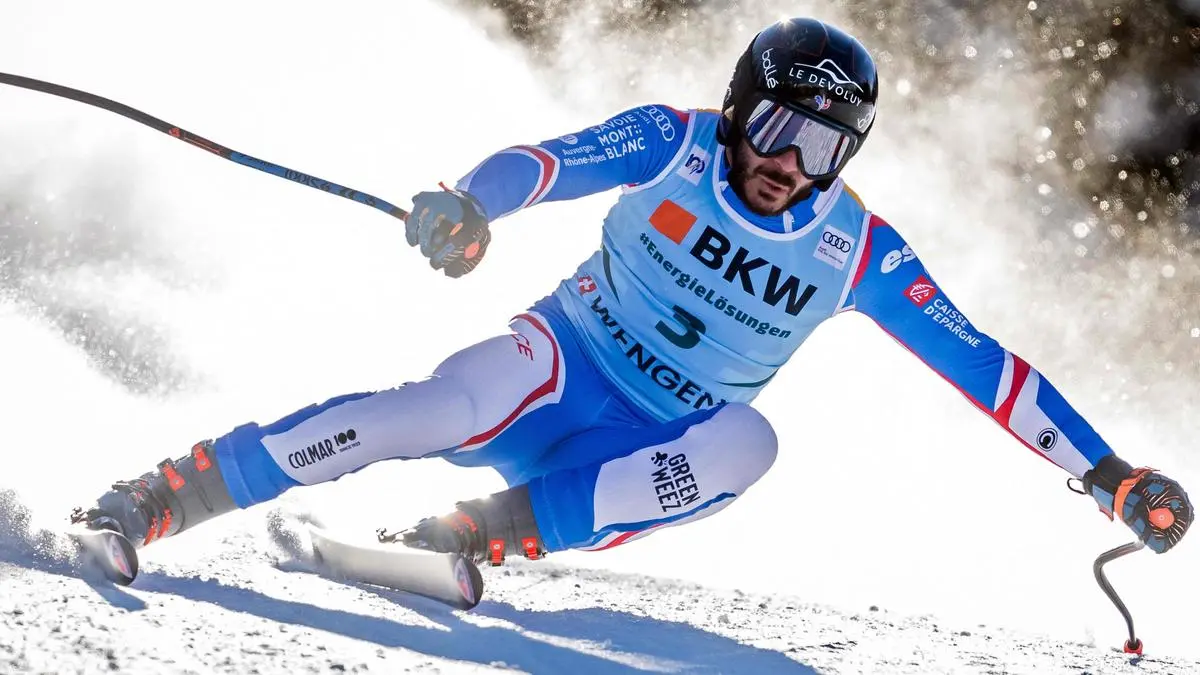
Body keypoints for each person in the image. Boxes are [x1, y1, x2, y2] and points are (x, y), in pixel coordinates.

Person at [76, 17, 1191, 567]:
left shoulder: (856, 250)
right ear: (738, 107)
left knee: (752, 440)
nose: (787, 163)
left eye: (823, 146)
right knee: (428, 410)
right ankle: (169, 493)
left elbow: (987, 370)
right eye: (776, 127)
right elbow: (546, 163)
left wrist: (1109, 475)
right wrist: (469, 204)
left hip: (641, 453)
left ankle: (476, 535)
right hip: (557, 363)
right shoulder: (675, 143)